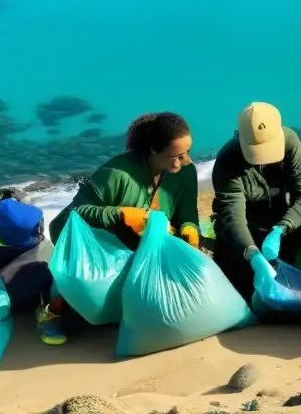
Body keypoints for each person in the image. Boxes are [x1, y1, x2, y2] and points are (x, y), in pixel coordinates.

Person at [36, 112, 200, 345]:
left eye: (187, 153)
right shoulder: (116, 174)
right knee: (86, 280)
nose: (183, 162)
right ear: (153, 150)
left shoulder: (185, 171)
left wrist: (190, 228)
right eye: (175, 156)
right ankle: (52, 309)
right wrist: (120, 214)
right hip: (99, 240)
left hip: (141, 242)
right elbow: (77, 212)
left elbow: (187, 211)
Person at [212, 102, 301, 304]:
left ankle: (292, 257)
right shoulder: (227, 160)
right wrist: (251, 252)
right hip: (248, 225)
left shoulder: (291, 142)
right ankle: (275, 259)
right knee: (240, 279)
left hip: (279, 219)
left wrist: (282, 228)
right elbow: (233, 216)